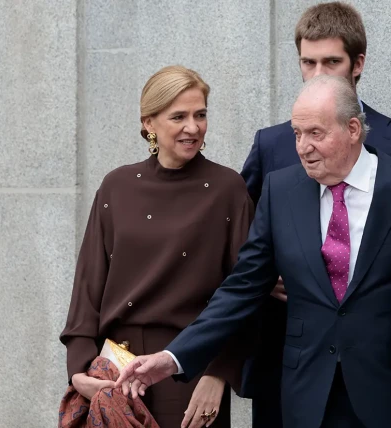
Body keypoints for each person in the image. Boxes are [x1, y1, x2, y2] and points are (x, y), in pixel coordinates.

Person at [115, 75, 391, 428]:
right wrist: (173, 357)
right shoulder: (281, 190)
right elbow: (241, 288)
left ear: (353, 129)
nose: (302, 147)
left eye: (315, 134)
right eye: (296, 133)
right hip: (307, 397)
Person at [239, 3, 391, 426]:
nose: (319, 73)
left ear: (357, 64)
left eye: (332, 62)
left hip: (382, 364)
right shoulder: (273, 144)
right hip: (297, 358)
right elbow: (246, 238)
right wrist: (269, 275)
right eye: (308, 62)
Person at [59, 65, 254, 428]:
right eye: (178, 116)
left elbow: (245, 293)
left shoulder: (228, 190)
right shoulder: (116, 187)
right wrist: (79, 370)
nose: (193, 127)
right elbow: (87, 288)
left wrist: (218, 375)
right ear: (149, 123)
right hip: (114, 375)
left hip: (188, 374)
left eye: (200, 115)